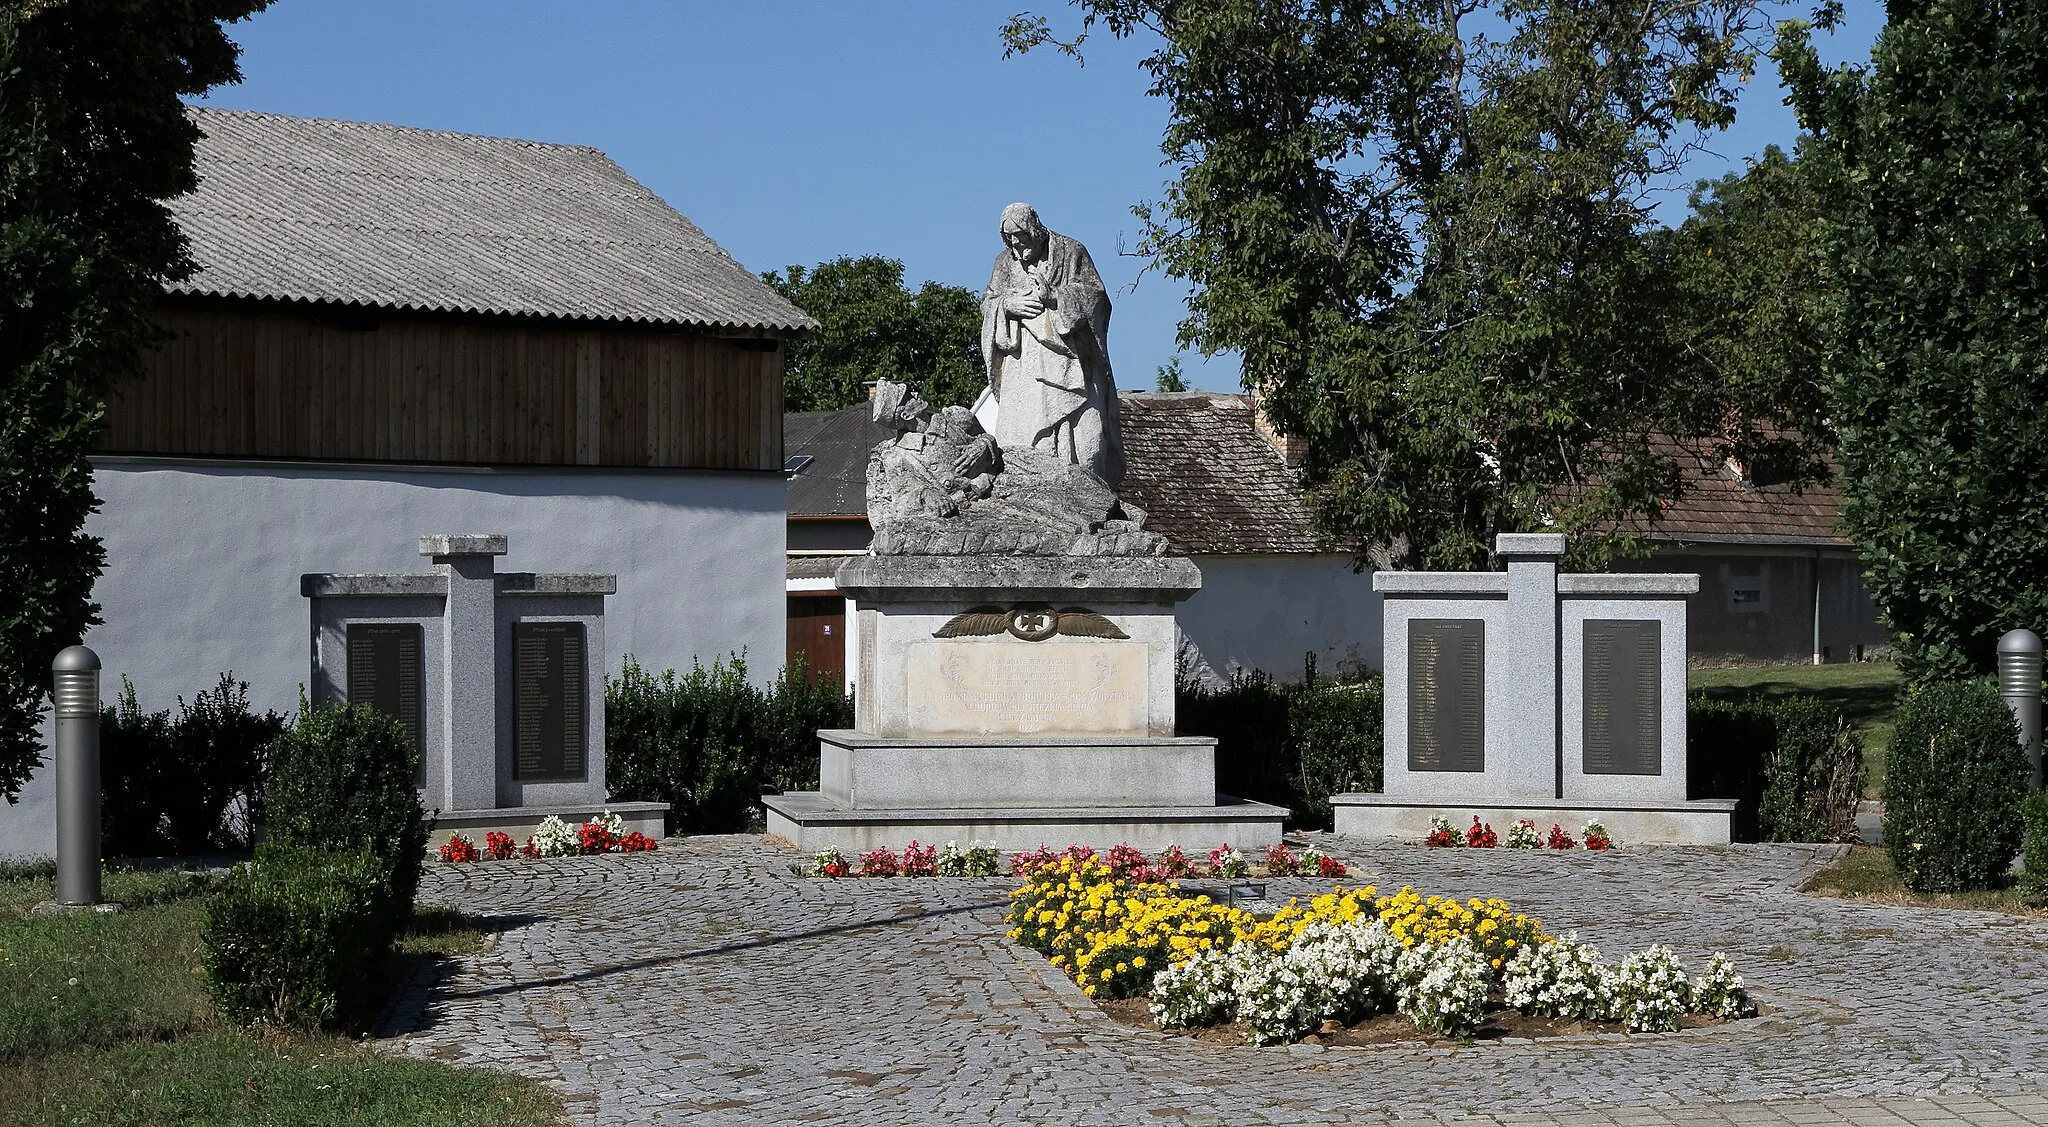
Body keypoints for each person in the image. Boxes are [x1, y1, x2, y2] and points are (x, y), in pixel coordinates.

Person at [979, 203, 1125, 486]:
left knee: (1084, 446)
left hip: (1069, 364)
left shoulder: (1071, 253)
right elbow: (988, 302)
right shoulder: (1004, 263)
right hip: (1023, 365)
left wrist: (1055, 297)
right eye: (1012, 244)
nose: (1019, 251)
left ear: (1035, 231)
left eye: (1022, 242)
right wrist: (1007, 305)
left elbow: (1097, 298)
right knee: (1023, 443)